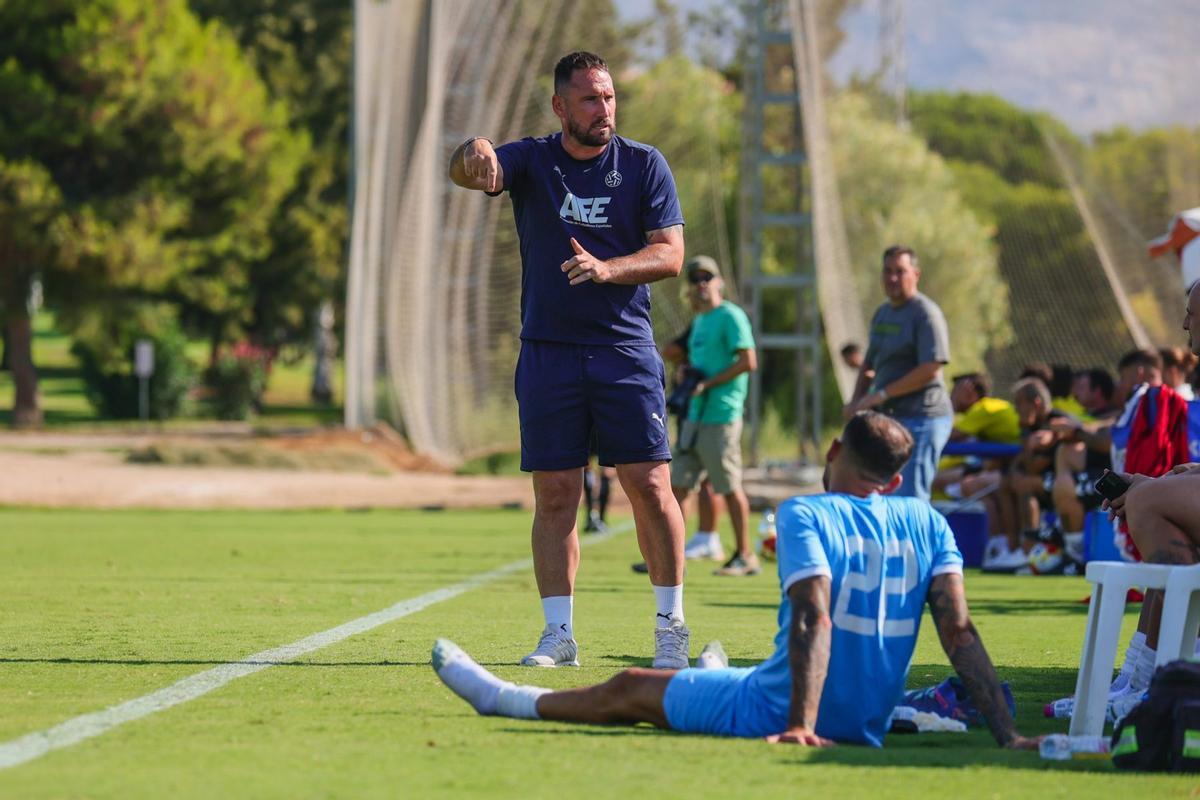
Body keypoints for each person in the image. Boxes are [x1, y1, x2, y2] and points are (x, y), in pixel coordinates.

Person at [431, 412, 1038, 751]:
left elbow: (812, 617)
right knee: (732, 672)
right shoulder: (929, 522)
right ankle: (713, 672)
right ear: (896, 481)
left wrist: (798, 723)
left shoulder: (808, 512)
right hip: (865, 724)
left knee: (632, 687)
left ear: (833, 451)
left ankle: (502, 698)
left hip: (775, 708)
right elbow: (958, 632)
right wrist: (1008, 735)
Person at [447, 51, 690, 669]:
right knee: (556, 494)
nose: (603, 110)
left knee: (650, 484)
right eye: (589, 99)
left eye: (608, 97)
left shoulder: (643, 165)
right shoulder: (532, 159)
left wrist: (609, 268)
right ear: (560, 106)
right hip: (549, 353)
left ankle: (671, 629)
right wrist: (473, 147)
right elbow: (472, 173)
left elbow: (670, 256)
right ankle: (559, 636)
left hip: (624, 351)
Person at [666, 256, 759, 576]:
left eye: (707, 277)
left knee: (729, 486)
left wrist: (707, 383)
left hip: (721, 414)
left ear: (719, 282)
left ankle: (745, 555)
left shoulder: (730, 316)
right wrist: (685, 375)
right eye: (695, 279)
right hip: (694, 414)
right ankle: (668, 555)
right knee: (678, 485)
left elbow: (748, 361)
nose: (701, 283)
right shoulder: (700, 322)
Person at [846, 245, 953, 503]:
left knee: (910, 501)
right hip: (891, 420)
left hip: (923, 418)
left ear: (915, 274)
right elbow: (869, 363)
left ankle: (918, 546)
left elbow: (931, 368)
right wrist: (856, 401)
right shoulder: (883, 314)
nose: (893, 278)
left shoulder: (925, 314)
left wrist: (880, 394)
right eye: (888, 271)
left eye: (900, 271)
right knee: (880, 495)